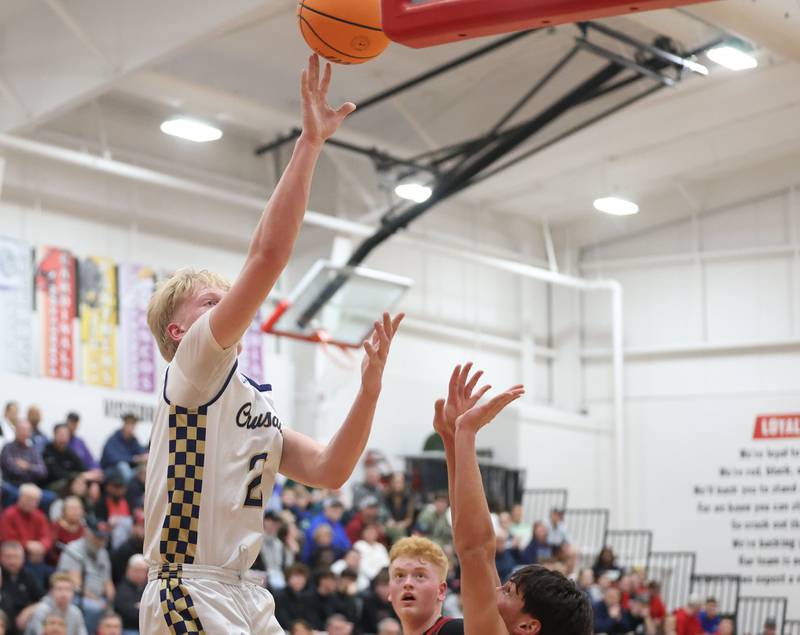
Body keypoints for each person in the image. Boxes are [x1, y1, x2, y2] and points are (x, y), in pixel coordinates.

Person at [139, 54, 402, 635]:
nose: (227, 305)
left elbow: (331, 470)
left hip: (244, 593)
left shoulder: (252, 403)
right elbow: (269, 256)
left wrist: (369, 389)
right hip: (187, 584)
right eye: (210, 301)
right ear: (179, 332)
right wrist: (309, 143)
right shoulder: (193, 366)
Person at [433, 362, 593, 635]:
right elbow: (472, 548)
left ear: (528, 626)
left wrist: (466, 435)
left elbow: (475, 551)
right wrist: (452, 438)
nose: (494, 588)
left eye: (507, 591)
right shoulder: (503, 623)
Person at [56, 518, 114, 634]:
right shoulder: (74, 549)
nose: (100, 541)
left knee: (113, 616)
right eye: (97, 537)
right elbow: (76, 584)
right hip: (76, 597)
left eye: (103, 538)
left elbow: (108, 583)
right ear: (87, 533)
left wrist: (111, 602)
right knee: (94, 608)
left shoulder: (103, 552)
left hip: (99, 599)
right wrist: (98, 601)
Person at [0, 484, 53, 576]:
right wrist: (27, 546)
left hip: (36, 557)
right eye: (28, 499)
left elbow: (47, 537)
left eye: (35, 500)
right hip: (14, 557)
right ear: (20, 498)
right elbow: (7, 539)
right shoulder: (9, 514)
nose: (31, 503)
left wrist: (42, 547)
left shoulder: (39, 516)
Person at [1, 540, 44, 632]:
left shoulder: (29, 575)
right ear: (1, 557)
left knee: (42, 611)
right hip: (3, 621)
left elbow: (43, 599)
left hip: (23, 623)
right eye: (8, 557)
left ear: (23, 558)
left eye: (16, 557)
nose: (12, 561)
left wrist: (28, 611)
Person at [99, 415, 147, 483]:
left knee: (144, 468)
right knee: (123, 466)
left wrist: (144, 456)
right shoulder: (113, 439)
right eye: (129, 424)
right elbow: (113, 458)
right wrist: (133, 459)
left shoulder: (133, 439)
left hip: (129, 470)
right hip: (110, 469)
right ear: (124, 424)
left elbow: (141, 451)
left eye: (133, 425)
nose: (131, 428)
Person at [1, 421, 47, 489]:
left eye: (27, 430)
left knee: (51, 496)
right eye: (22, 430)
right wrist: (33, 470)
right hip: (12, 485)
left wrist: (28, 467)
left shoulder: (32, 450)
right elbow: (13, 471)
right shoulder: (8, 448)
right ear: (15, 431)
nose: (24, 433)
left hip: (31, 486)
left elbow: (43, 471)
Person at [41, 425, 86, 493]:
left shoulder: (69, 451)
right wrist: (79, 476)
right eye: (61, 434)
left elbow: (83, 468)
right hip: (50, 485)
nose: (63, 437)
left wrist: (92, 480)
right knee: (75, 483)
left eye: (66, 434)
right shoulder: (47, 451)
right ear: (54, 434)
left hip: (70, 482)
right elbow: (57, 474)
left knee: (89, 483)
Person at [113, 554, 147, 634]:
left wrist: (140, 607)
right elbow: (129, 614)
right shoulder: (122, 589)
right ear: (128, 570)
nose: (139, 574)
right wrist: (144, 608)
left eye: (143, 571)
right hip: (128, 628)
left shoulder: (147, 587)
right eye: (136, 570)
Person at [274, 563, 315, 627]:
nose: (299, 580)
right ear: (288, 578)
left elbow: (312, 618)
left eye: (302, 577)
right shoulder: (280, 596)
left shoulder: (308, 596)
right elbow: (282, 620)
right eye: (296, 576)